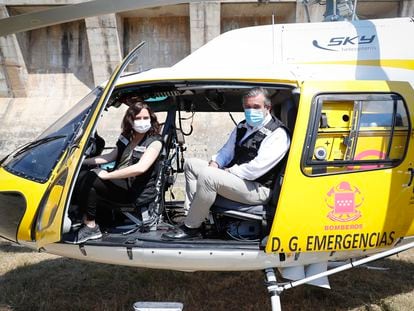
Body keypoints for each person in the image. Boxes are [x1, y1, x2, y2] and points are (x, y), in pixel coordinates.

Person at [163, 87, 290, 240]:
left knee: (209, 176)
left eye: (256, 107)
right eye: (247, 107)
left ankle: (191, 228)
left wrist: (226, 172)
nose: (251, 111)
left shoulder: (277, 134)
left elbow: (255, 170)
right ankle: (194, 216)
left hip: (258, 188)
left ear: (267, 108)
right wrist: (216, 163)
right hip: (238, 179)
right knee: (191, 164)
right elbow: (226, 152)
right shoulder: (243, 126)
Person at [66, 101, 163, 244]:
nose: (142, 122)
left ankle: (91, 227)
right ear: (130, 120)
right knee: (81, 175)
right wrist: (81, 162)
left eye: (146, 118)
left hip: (135, 189)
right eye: (138, 118)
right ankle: (84, 220)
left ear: (151, 119)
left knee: (93, 177)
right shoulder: (127, 137)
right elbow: (111, 156)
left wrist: (107, 175)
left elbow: (141, 168)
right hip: (120, 182)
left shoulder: (155, 142)